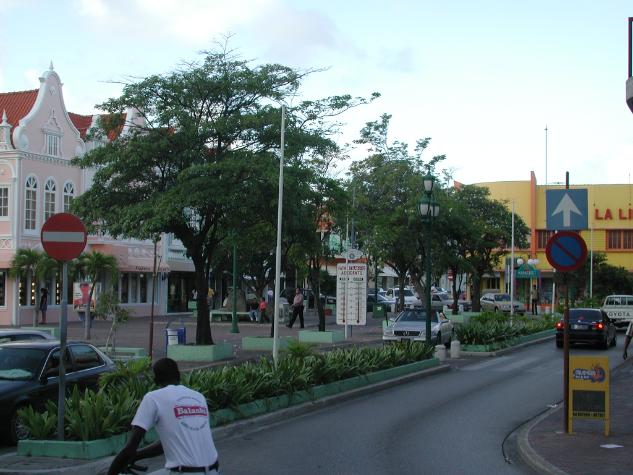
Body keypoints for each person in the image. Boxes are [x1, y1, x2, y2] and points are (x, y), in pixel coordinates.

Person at [108, 358, 219, 475]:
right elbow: (166, 444)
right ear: (178, 375)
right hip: (213, 471)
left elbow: (130, 448)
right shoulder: (198, 397)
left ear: (155, 380)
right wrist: (136, 456)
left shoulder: (153, 398)